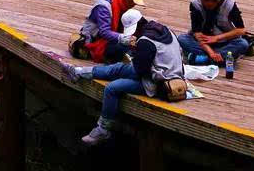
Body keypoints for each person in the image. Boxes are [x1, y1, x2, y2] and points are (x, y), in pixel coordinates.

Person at [69, 10, 186, 145]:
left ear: (137, 26)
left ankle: (103, 129)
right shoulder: (165, 30)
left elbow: (140, 71)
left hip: (158, 85)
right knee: (119, 68)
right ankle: (81, 72)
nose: (132, 35)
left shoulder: (145, 41)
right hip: (175, 75)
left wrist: (132, 56)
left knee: (112, 87)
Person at [177, 0, 254, 79]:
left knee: (242, 44)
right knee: (182, 39)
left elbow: (241, 30)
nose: (207, 8)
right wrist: (211, 53)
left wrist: (217, 38)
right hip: (203, 43)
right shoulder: (196, 4)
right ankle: (220, 59)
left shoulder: (229, 4)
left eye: (210, 6)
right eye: (205, 5)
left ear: (218, 1)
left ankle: (202, 59)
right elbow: (197, 33)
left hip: (224, 41)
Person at [70, 0, 145, 63]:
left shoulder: (122, 4)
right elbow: (104, 32)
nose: (134, 4)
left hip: (111, 38)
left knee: (141, 28)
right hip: (97, 42)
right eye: (133, 1)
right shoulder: (104, 6)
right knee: (121, 48)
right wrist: (124, 38)